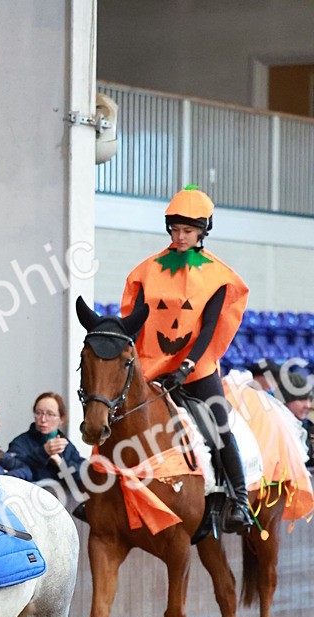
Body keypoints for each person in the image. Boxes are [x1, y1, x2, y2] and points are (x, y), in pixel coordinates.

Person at [121, 185, 252, 534]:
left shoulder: (218, 277)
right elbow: (134, 321)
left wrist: (187, 366)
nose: (180, 237)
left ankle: (239, 499)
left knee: (217, 428)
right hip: (150, 366)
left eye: (188, 231)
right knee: (114, 416)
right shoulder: (146, 271)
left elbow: (209, 328)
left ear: (202, 232)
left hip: (196, 369)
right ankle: (100, 494)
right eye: (176, 230)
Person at [7, 392, 84, 502]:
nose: (43, 419)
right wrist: (43, 453)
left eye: (50, 414)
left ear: (61, 419)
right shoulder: (20, 442)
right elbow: (12, 468)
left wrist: (60, 463)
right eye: (39, 413)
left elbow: (83, 475)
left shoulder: (66, 446)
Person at [278, 370, 314, 471]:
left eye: (309, 399)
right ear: (285, 399)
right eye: (300, 399)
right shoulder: (276, 428)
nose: (307, 405)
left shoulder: (308, 426)